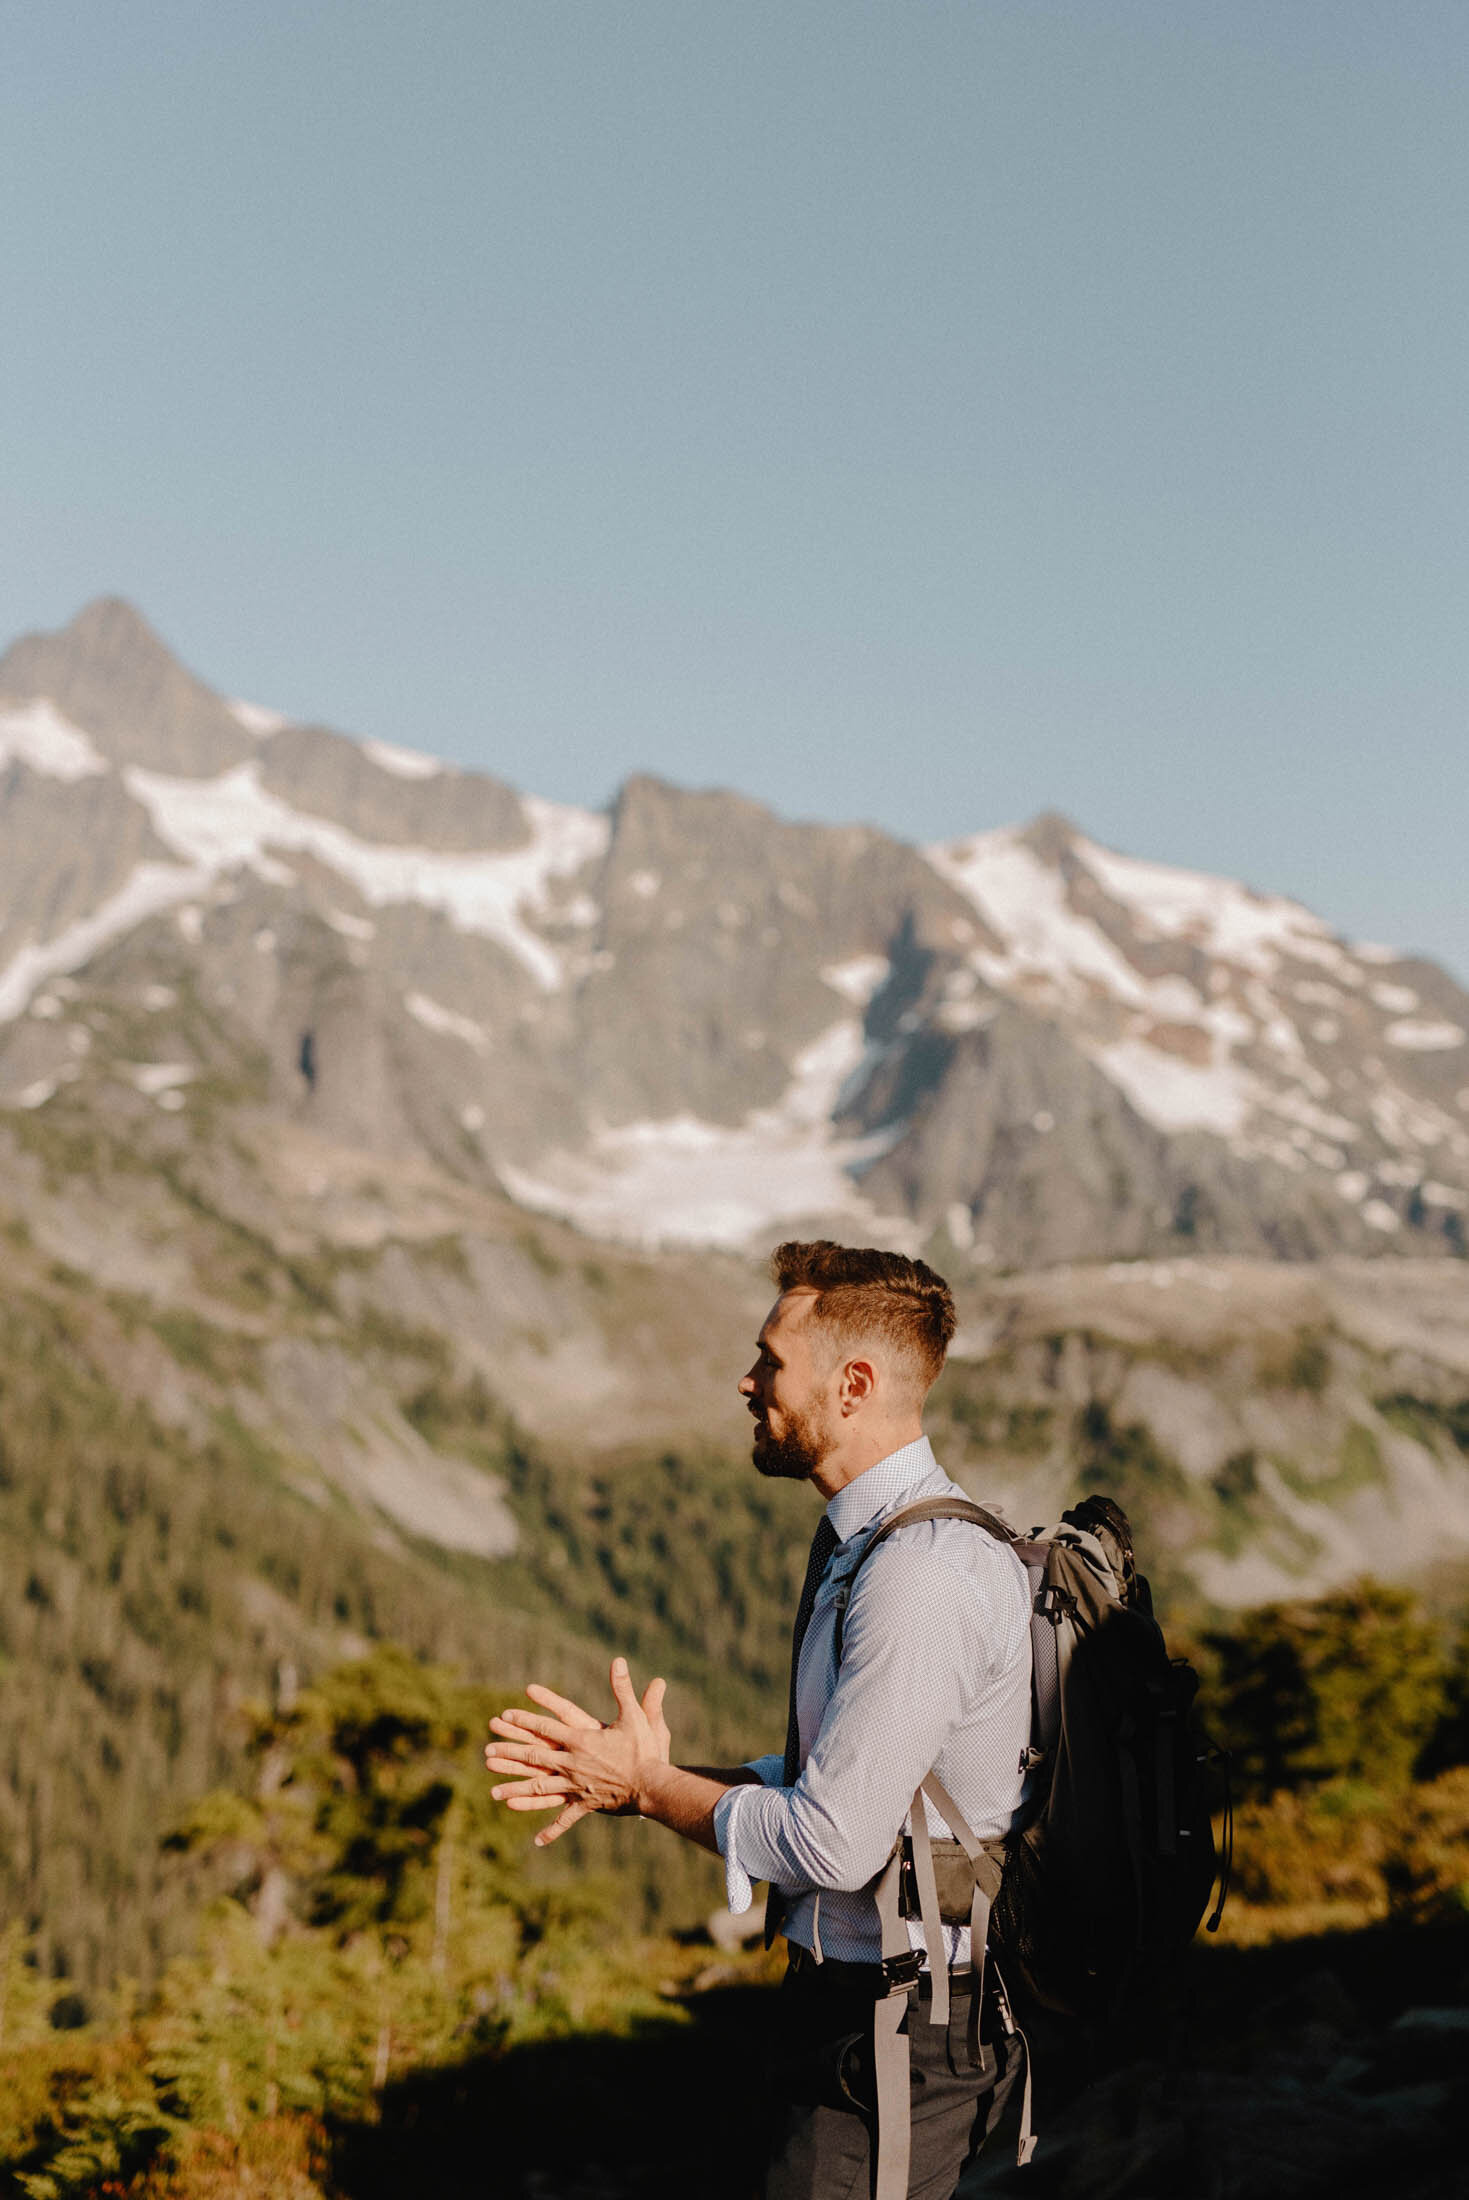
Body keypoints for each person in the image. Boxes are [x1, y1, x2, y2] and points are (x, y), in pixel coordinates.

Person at [484, 1239, 1033, 2199]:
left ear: (852, 1384)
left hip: (895, 2034)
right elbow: (841, 1786)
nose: (747, 1382)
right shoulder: (871, 1544)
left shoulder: (916, 1576)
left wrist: (654, 1792)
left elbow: (832, 1845)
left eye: (771, 1362)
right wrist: (646, 1780)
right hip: (857, 2016)